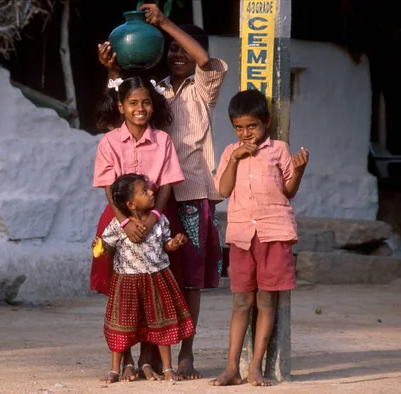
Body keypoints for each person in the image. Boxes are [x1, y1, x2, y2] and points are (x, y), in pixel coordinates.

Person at [97, 3, 228, 379]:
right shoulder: (157, 90)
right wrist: (112, 70)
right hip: (152, 200)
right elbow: (122, 107)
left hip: (192, 193)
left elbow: (205, 59)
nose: (178, 54)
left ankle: (185, 352)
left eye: (183, 48)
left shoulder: (203, 87)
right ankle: (148, 357)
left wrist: (165, 23)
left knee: (189, 277)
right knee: (152, 276)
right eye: (171, 49)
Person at [210, 89, 309, 387]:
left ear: (266, 122)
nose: (246, 133)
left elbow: (288, 191)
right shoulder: (230, 152)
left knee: (267, 300)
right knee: (242, 300)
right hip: (241, 236)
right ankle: (231, 368)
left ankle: (256, 367)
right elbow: (223, 191)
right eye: (239, 128)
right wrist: (236, 158)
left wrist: (299, 171)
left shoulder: (279, 149)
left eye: (252, 126)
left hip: (274, 232)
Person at [91, 76, 185, 381]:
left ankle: (147, 359)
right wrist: (125, 221)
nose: (140, 108)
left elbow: (168, 184)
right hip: (119, 218)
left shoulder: (163, 141)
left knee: (153, 291)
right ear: (121, 106)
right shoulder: (109, 142)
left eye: (145, 102)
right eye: (133, 103)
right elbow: (108, 186)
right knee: (122, 291)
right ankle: (126, 359)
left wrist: (155, 215)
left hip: (155, 215)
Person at [94, 173, 194, 384]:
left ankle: (167, 368)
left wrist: (174, 244)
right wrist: (101, 248)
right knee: (123, 325)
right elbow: (108, 246)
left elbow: (166, 244)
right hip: (127, 282)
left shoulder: (159, 221)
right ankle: (115, 368)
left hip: (156, 279)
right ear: (131, 204)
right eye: (145, 192)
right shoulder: (118, 225)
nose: (151, 193)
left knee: (159, 323)